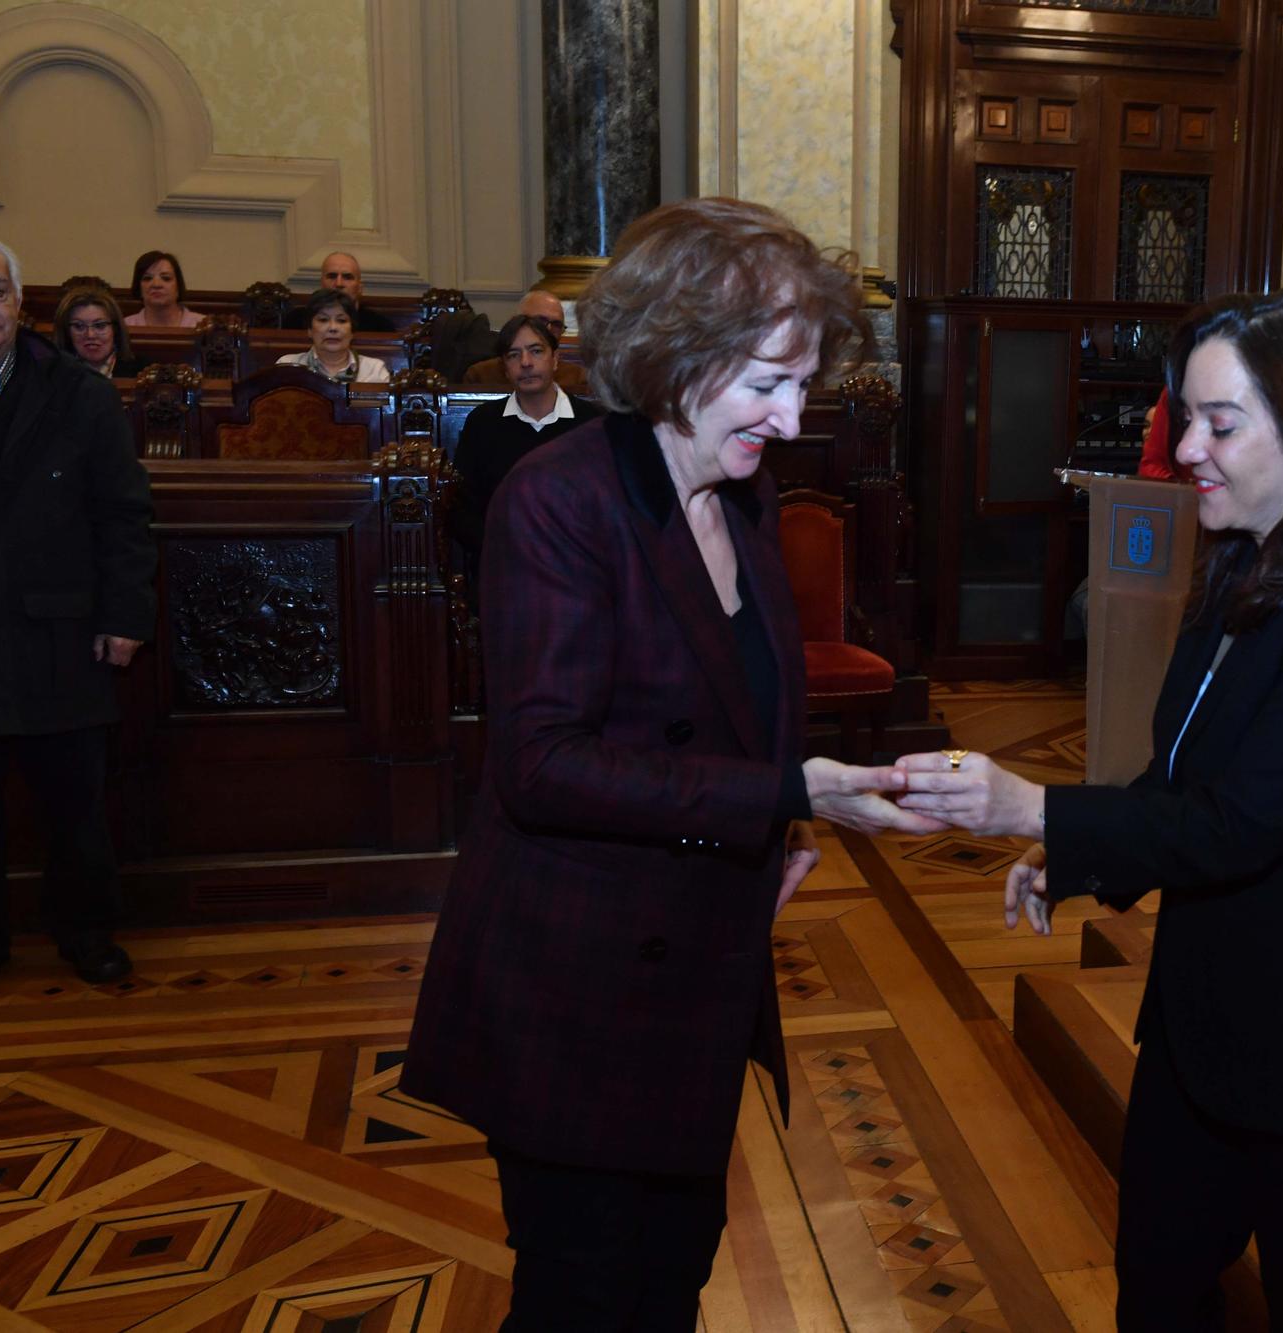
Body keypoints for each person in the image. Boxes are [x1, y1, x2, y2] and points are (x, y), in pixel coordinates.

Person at [401, 197, 944, 1330]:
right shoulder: (559, 499)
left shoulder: (737, 488)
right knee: (584, 1299)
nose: (791, 421)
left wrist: (774, 835)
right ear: (675, 356)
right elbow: (541, 765)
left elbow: (730, 705)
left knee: (669, 1281)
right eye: (766, 383)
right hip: (573, 987)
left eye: (804, 384)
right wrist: (784, 793)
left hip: (693, 971)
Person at [897, 289, 1283, 1331]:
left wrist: (1036, 808)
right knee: (1154, 1292)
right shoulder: (1246, 561)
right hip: (1204, 1036)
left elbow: (1238, 823)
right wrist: (1076, 855)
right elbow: (1182, 777)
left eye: (1219, 422)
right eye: (1185, 416)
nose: (1184, 447)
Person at [0, 234, 154, 987]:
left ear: (21, 303)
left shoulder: (78, 391)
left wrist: (125, 614)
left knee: (75, 801)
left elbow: (122, 513)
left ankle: (85, 930)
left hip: (60, 631)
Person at [449, 313, 603, 571]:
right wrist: (503, 551)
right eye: (513, 355)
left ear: (555, 360)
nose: (526, 363)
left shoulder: (592, 422)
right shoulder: (484, 423)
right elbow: (463, 507)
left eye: (536, 351)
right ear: (505, 368)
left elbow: (606, 508)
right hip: (505, 566)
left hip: (579, 567)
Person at [461, 289, 588, 390]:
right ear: (514, 322)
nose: (548, 329)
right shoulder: (480, 375)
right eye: (540, 321)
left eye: (556, 325)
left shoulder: (577, 377)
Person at [274, 290, 391, 384]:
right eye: (323, 320)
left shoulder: (374, 371)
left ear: (352, 331)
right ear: (309, 330)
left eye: (341, 320)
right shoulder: (287, 366)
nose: (333, 328)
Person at [282, 252, 396, 332]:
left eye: (347, 277)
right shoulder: (296, 321)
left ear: (360, 288)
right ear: (321, 284)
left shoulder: (380, 326)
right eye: (332, 276)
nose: (339, 284)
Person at [54, 283, 146, 378]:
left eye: (100, 325)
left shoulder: (142, 371)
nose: (90, 335)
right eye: (79, 326)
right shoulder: (53, 372)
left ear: (115, 329)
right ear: (66, 331)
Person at [124, 251, 202, 328]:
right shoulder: (124, 327)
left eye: (166, 278)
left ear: (178, 287)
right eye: (147, 278)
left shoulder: (203, 326)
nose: (156, 285)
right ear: (139, 288)